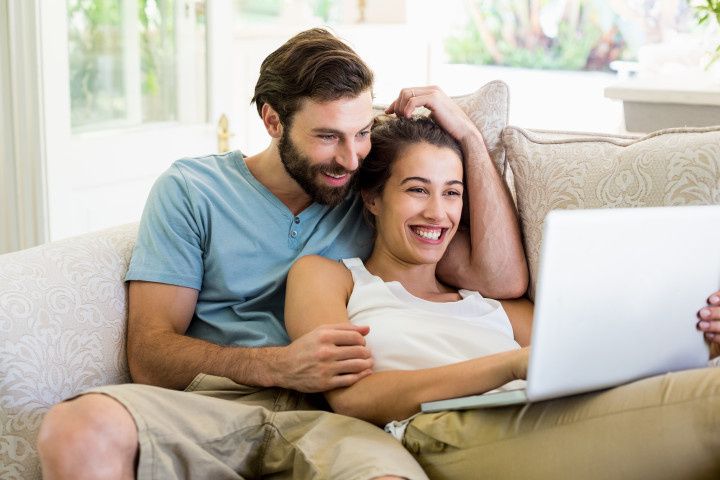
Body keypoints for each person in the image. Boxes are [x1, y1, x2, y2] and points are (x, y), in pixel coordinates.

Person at [36, 28, 528, 479]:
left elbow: (501, 279)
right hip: (216, 404)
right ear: (272, 119)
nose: (351, 157)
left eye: (361, 133)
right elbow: (149, 354)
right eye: (327, 136)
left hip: (331, 417)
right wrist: (277, 365)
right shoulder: (192, 190)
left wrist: (467, 134)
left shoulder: (370, 192)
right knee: (77, 428)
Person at [284, 115, 720, 480]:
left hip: (538, 415)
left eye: (451, 192)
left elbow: (599, 357)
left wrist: (701, 337)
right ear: (373, 198)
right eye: (418, 189)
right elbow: (351, 398)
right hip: (438, 432)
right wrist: (510, 364)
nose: (438, 212)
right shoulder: (333, 278)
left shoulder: (494, 306)